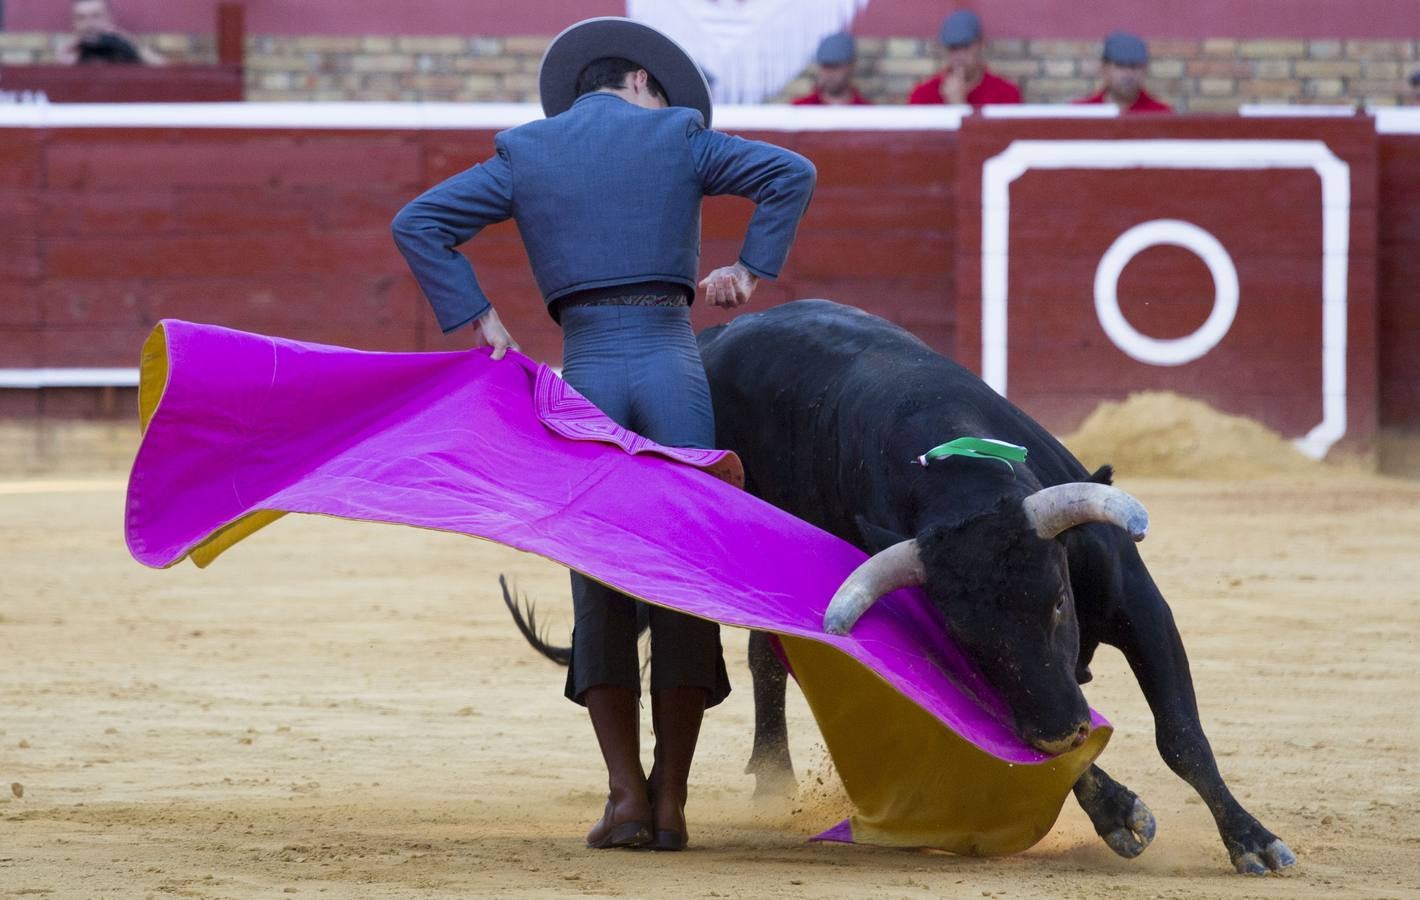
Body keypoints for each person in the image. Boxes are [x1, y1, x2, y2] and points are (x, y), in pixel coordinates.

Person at [391, 17, 815, 852]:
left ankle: (623, 797)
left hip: (585, 376)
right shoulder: (678, 134)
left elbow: (418, 223)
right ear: (642, 83)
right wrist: (746, 269)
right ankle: (672, 802)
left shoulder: (526, 149)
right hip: (669, 365)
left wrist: (478, 317)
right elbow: (789, 173)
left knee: (600, 573)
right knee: (685, 569)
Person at [907, 10, 1020, 106]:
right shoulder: (923, 94)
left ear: (981, 45)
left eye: (965, 47)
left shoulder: (1006, 94)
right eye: (952, 48)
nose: (958, 56)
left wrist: (958, 105)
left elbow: (1010, 132)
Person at [1075, 31, 1172, 113]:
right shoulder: (1081, 112)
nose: (1128, 74)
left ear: (1145, 69)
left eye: (1134, 66)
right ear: (1104, 68)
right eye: (1120, 66)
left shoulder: (1161, 114)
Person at [58, 0, 166, 66]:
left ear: (109, 19)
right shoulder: (70, 52)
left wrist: (129, 46)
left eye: (96, 16)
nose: (89, 24)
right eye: (81, 18)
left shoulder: (124, 46)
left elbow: (164, 68)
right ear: (74, 23)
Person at [791, 32, 870, 105]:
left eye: (835, 67)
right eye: (825, 66)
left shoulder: (868, 111)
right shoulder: (801, 108)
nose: (829, 74)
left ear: (852, 65)